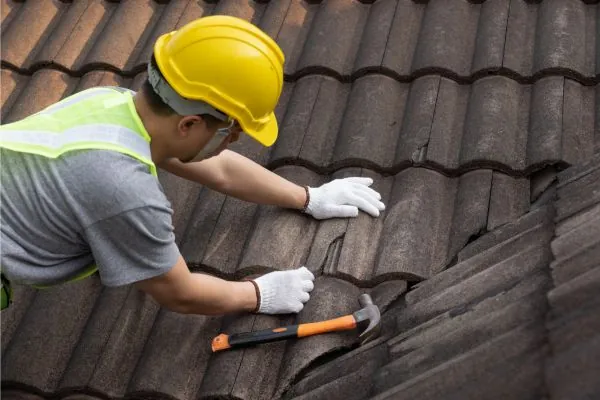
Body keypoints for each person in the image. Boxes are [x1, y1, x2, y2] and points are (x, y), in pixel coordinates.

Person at [0, 16, 385, 314]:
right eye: (232, 132)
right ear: (188, 124)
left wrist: (308, 197)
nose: (232, 142)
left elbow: (220, 170)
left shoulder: (110, 102)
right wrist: (256, 293)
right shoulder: (124, 191)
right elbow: (177, 292)